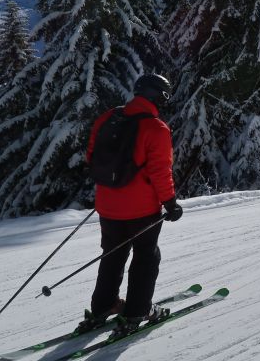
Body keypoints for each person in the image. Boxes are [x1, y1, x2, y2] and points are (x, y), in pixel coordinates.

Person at [76, 74, 184, 338]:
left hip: (107, 206)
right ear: (158, 96)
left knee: (112, 254)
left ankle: (103, 306)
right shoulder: (156, 128)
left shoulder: (108, 117)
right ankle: (138, 311)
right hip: (141, 210)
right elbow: (160, 170)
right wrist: (170, 203)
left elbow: (91, 156)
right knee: (146, 257)